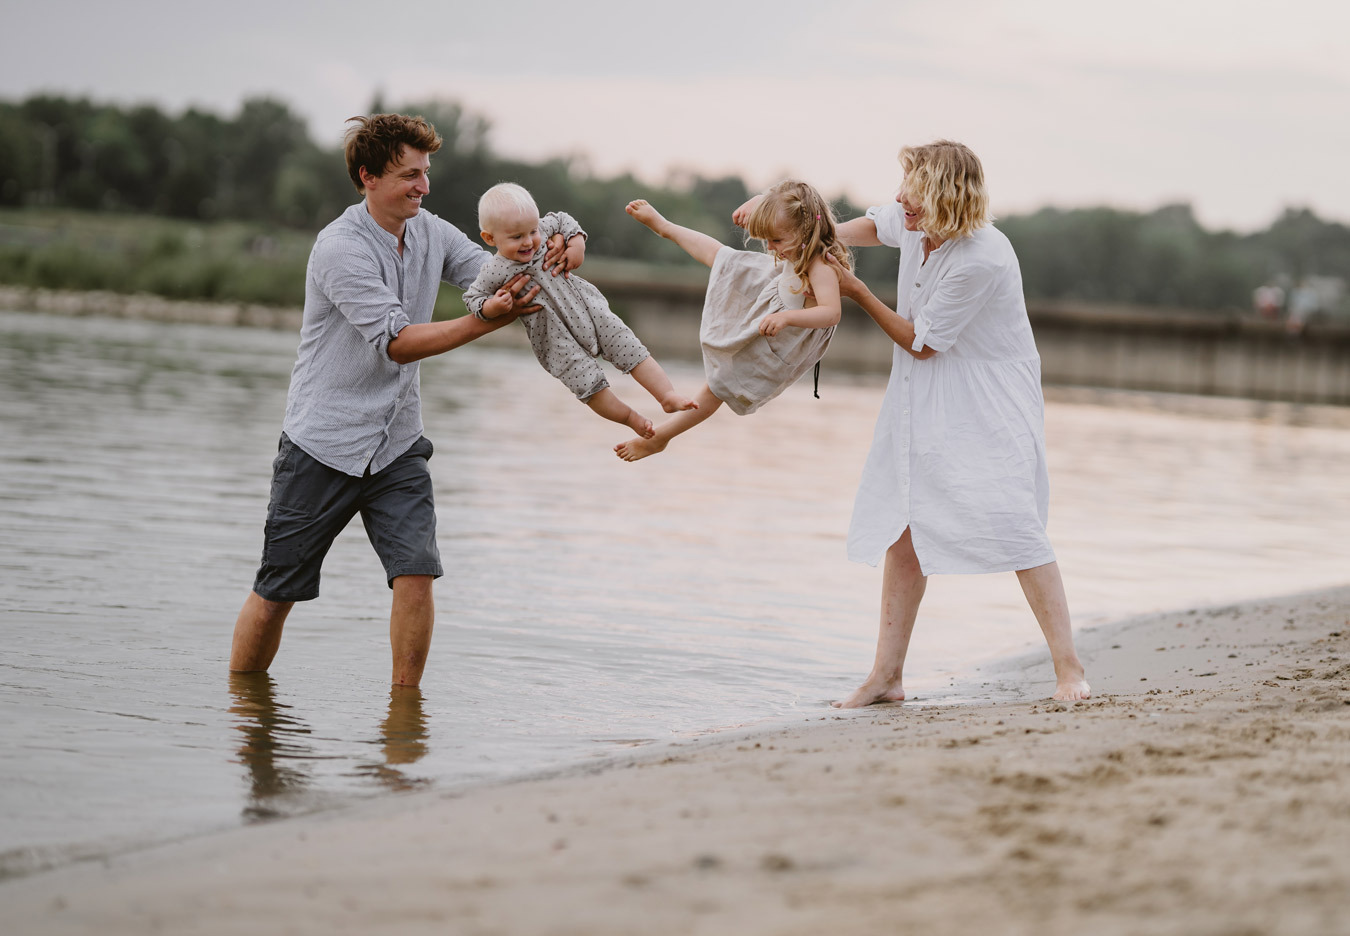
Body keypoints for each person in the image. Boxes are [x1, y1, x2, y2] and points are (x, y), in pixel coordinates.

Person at [229, 113, 584, 688]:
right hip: (322, 443)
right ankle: (243, 716)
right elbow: (398, 344)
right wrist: (483, 321)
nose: (422, 186)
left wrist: (562, 246)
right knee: (277, 591)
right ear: (367, 177)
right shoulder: (339, 248)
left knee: (416, 573)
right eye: (408, 175)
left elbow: (497, 272)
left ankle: (404, 716)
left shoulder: (432, 232)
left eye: (424, 173)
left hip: (396, 444)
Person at [822, 140, 1090, 705]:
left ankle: (1070, 671)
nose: (900, 199)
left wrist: (857, 292)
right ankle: (886, 676)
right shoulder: (917, 221)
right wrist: (818, 236)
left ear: (944, 195)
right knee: (905, 524)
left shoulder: (983, 256)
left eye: (912, 189)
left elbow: (922, 342)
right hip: (927, 394)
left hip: (987, 400)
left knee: (1016, 523)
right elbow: (875, 225)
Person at [615, 179, 850, 461]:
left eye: (777, 241)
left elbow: (831, 313)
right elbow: (790, 199)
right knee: (726, 260)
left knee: (719, 385)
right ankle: (665, 227)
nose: (771, 248)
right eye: (767, 241)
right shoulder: (793, 250)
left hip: (781, 336)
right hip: (779, 291)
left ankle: (662, 437)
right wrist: (761, 200)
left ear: (805, 231)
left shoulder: (821, 267)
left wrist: (788, 318)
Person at [463, 183, 697, 438]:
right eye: (517, 237)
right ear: (490, 238)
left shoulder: (542, 231)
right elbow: (473, 297)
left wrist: (577, 245)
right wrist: (491, 307)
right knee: (590, 387)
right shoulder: (496, 270)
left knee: (630, 348)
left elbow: (564, 220)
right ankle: (631, 418)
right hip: (554, 339)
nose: (529, 241)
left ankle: (667, 395)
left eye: (532, 231)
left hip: (589, 310)